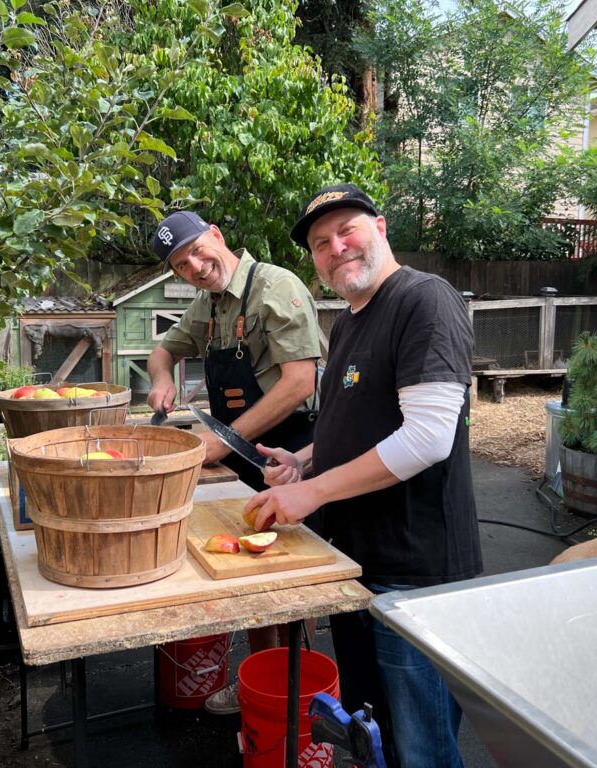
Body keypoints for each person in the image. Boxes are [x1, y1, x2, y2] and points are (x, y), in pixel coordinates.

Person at [244, 184, 482, 768]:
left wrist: (311, 490)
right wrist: (306, 460)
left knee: (423, 747)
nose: (336, 248)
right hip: (355, 564)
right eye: (321, 244)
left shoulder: (425, 300)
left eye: (347, 231)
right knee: (375, 738)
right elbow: (357, 422)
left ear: (381, 227)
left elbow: (428, 438)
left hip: (415, 576)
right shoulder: (349, 320)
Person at [146, 210, 322, 715]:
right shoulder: (210, 303)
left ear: (218, 236)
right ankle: (258, 682)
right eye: (182, 265)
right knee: (246, 571)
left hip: (291, 450)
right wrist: (161, 378)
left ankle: (291, 694)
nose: (197, 268)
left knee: (290, 580)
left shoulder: (273, 285)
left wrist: (224, 441)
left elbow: (299, 382)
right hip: (241, 450)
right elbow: (164, 350)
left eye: (199, 252)